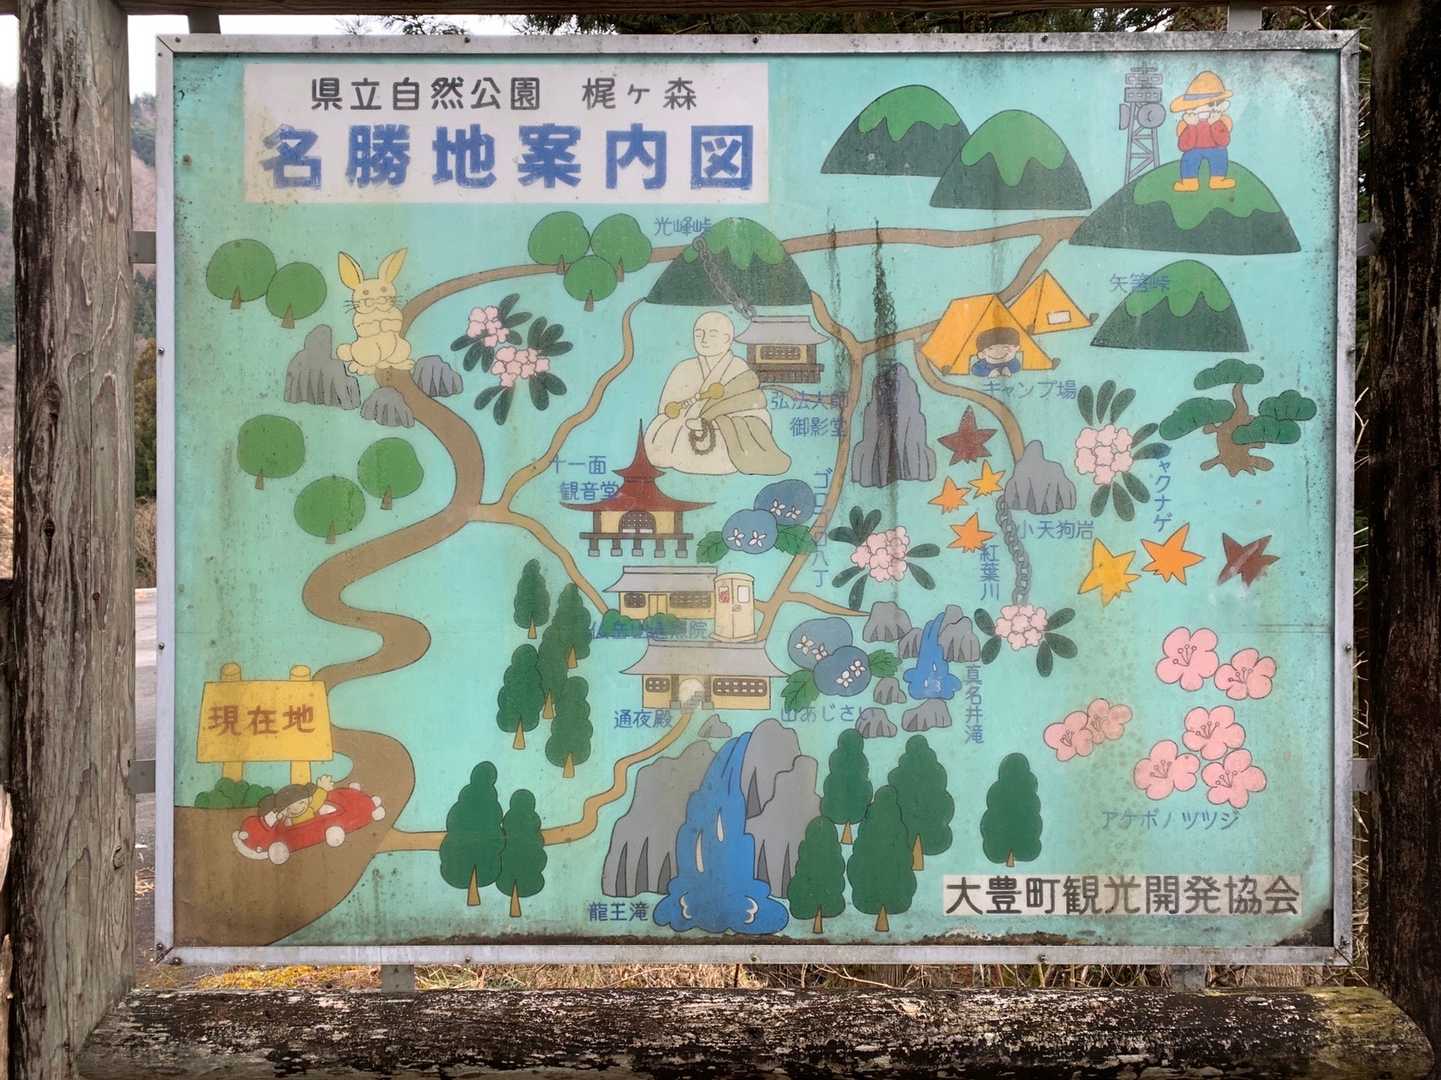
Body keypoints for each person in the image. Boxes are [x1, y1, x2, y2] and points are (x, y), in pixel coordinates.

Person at [645, 311, 791, 475]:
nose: (704, 340)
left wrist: (713, 421)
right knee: (662, 426)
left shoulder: (738, 368)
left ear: (727, 339)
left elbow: (753, 407)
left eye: (712, 335)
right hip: (685, 431)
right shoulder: (683, 368)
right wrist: (688, 417)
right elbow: (664, 410)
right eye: (698, 334)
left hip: (721, 435)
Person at [1171, 71, 1236, 193]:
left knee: (1221, 153)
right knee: (1188, 157)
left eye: (1212, 104)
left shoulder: (1220, 122)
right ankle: (1189, 182)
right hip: (1194, 150)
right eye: (1196, 106)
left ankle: (1217, 179)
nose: (1205, 109)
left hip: (1215, 148)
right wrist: (1191, 127)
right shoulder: (1187, 124)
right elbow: (1184, 146)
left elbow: (1224, 141)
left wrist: (1214, 124)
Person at [259, 774, 335, 830]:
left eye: (301, 803)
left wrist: (323, 787)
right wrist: (277, 817)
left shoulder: (312, 805)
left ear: (309, 799)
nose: (296, 809)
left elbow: (321, 795)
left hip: (315, 828)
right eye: (288, 809)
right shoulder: (287, 820)